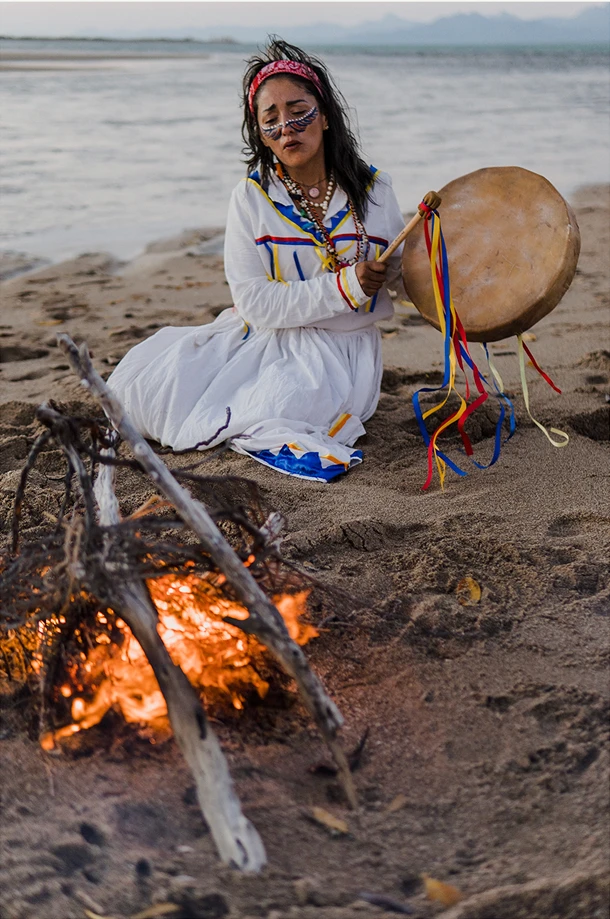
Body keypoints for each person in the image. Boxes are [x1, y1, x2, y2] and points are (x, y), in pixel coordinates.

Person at [109, 39, 408, 482]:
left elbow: (406, 277)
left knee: (282, 407)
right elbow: (253, 303)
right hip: (266, 336)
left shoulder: (375, 192)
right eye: (271, 120)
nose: (288, 127)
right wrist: (345, 286)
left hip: (344, 352)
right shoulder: (250, 197)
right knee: (145, 386)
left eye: (299, 111)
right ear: (261, 135)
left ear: (325, 117)